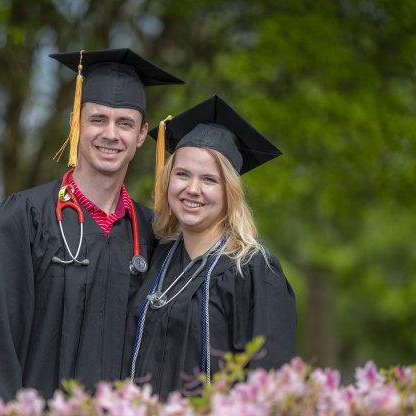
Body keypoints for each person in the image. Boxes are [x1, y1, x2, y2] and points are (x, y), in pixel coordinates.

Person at [0, 48, 183, 401]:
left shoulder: (156, 236)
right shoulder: (22, 220)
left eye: (125, 123)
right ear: (76, 121)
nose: (111, 134)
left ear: (141, 134)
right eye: (98, 119)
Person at [124, 95, 296, 399]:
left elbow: (267, 385)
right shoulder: (155, 259)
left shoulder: (254, 272)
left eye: (209, 179)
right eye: (182, 174)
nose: (193, 189)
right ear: (167, 182)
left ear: (229, 190)